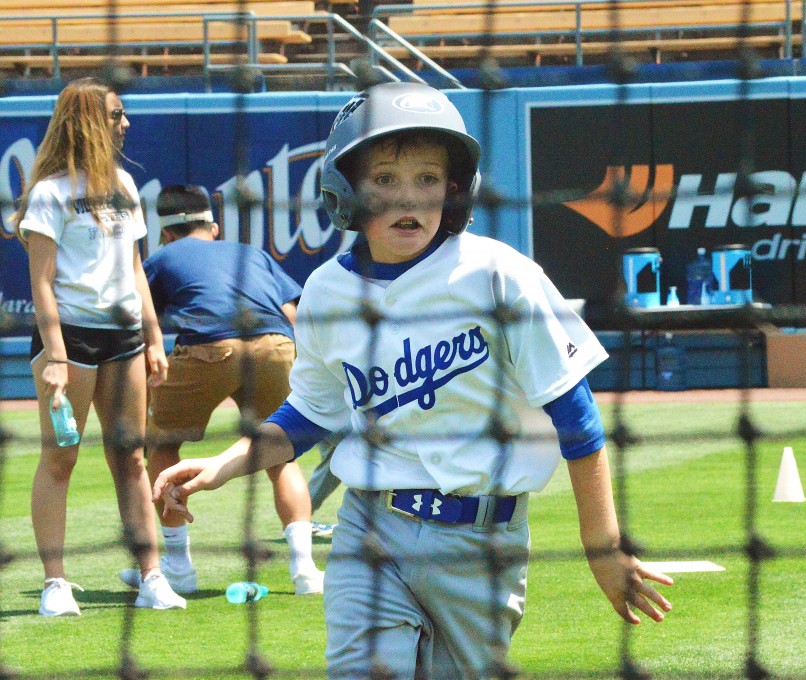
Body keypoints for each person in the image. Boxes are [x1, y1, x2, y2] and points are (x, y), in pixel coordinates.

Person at [152, 81, 672, 677]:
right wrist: (222, 465)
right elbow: (308, 415)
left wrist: (603, 549)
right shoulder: (327, 291)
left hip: (483, 544)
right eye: (384, 179)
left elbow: (575, 416)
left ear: (455, 190)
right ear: (345, 189)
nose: (409, 197)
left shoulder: (499, 275)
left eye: (428, 179)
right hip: (371, 530)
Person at [9, 77, 184, 616]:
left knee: (132, 459)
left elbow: (134, 269)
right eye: (115, 114)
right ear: (87, 121)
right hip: (70, 337)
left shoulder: (125, 185)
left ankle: (152, 577)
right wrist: (56, 357)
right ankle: (55, 584)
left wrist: (154, 338)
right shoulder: (49, 193)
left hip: (125, 337)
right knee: (60, 459)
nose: (125, 123)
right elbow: (41, 283)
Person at [122, 184, 324, 597]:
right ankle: (305, 570)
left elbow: (140, 319)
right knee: (280, 452)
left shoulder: (161, 258)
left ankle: (178, 568)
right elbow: (293, 313)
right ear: (213, 228)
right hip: (276, 345)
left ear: (165, 233)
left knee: (163, 448)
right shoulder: (251, 253)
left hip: (209, 347)